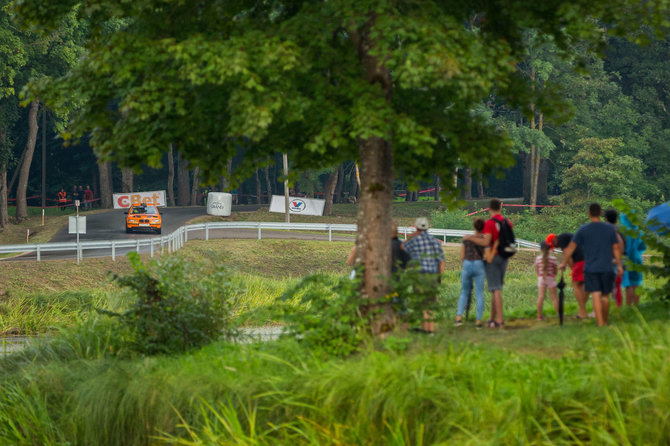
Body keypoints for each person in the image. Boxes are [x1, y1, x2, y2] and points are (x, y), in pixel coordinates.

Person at [559, 203, 623, 327]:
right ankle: (605, 321)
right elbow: (615, 248)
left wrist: (563, 263)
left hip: (591, 268)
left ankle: (600, 324)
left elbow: (571, 247)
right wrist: (619, 265)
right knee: (605, 296)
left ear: (589, 213)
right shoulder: (610, 229)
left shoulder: (583, 229)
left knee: (595, 294)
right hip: (607, 267)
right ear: (600, 213)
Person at [464, 198, 511, 328]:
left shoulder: (489, 223)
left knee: (495, 289)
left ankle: (499, 321)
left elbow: (485, 242)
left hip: (492, 257)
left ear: (489, 208)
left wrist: (471, 238)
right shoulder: (507, 222)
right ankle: (492, 319)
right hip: (504, 257)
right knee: (496, 288)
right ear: (501, 207)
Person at [403, 217, 445, 334]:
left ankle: (424, 329)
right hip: (432, 276)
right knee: (430, 304)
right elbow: (441, 261)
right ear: (427, 227)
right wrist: (438, 276)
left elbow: (403, 248)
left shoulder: (414, 241)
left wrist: (411, 236)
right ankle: (430, 330)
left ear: (416, 227)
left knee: (421, 304)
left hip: (419, 276)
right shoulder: (435, 242)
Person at [455, 218, 487, 327]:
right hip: (479, 264)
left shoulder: (466, 239)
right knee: (479, 293)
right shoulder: (484, 240)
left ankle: (459, 317)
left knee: (464, 292)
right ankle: (478, 320)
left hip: (467, 264)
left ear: (474, 226)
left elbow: (462, 256)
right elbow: (486, 256)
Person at [555, 232, 588, 319]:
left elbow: (568, 255)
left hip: (579, 262)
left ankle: (583, 312)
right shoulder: (570, 238)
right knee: (584, 285)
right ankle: (582, 310)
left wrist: (571, 268)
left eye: (553, 245)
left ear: (554, 239)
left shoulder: (561, 240)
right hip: (587, 259)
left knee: (575, 284)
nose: (555, 247)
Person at [620, 212, 646, 305]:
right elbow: (643, 246)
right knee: (637, 282)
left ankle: (629, 306)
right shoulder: (639, 232)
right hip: (638, 258)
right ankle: (636, 304)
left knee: (629, 283)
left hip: (628, 259)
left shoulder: (625, 232)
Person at [604, 209, 626, 306]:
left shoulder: (606, 229)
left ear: (605, 219)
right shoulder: (621, 229)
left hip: (610, 261)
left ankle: (608, 306)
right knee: (617, 286)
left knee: (604, 287)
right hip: (621, 260)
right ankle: (618, 306)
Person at [535, 240, 559, 320]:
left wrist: (540, 275)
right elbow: (555, 270)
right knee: (554, 297)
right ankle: (559, 315)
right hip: (551, 279)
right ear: (549, 248)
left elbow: (537, 270)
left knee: (540, 297)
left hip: (541, 278)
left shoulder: (538, 259)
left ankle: (539, 316)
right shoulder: (553, 259)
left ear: (540, 249)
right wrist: (553, 275)